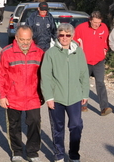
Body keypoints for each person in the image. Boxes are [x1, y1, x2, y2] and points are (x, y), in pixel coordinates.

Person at [0, 25, 44, 162]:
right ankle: (16, 151)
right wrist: (2, 96)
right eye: (22, 39)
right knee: (14, 125)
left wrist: (45, 94)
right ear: (16, 38)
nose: (25, 43)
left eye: (28, 40)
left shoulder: (39, 53)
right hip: (13, 96)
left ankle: (32, 152)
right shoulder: (6, 53)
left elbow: (46, 75)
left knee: (34, 122)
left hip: (33, 96)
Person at [41, 23, 89, 162]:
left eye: (68, 35)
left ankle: (74, 155)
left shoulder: (78, 51)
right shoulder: (51, 53)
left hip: (75, 97)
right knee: (58, 128)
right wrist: (49, 97)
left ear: (72, 36)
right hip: (56, 98)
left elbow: (84, 74)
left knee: (76, 125)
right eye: (61, 35)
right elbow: (46, 76)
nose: (65, 38)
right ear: (58, 35)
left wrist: (84, 93)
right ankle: (59, 155)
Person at [73, 11, 112, 116]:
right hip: (84, 61)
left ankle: (104, 107)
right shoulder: (81, 28)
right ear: (90, 20)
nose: (97, 25)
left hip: (99, 61)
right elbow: (74, 42)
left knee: (100, 83)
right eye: (95, 22)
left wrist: (104, 50)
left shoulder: (104, 27)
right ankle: (83, 104)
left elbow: (106, 42)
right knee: (83, 83)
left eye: (99, 22)